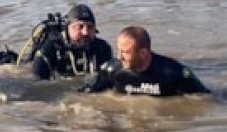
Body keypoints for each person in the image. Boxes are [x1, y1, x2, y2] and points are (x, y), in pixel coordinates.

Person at [78, 25, 209, 97]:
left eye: (126, 52)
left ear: (144, 53)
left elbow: (204, 99)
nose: (119, 57)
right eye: (119, 51)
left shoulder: (173, 72)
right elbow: (84, 95)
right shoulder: (112, 70)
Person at [17, 4, 114, 80]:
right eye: (79, 27)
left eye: (90, 27)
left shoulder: (103, 48)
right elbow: (36, 82)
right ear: (68, 28)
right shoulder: (52, 48)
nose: (85, 32)